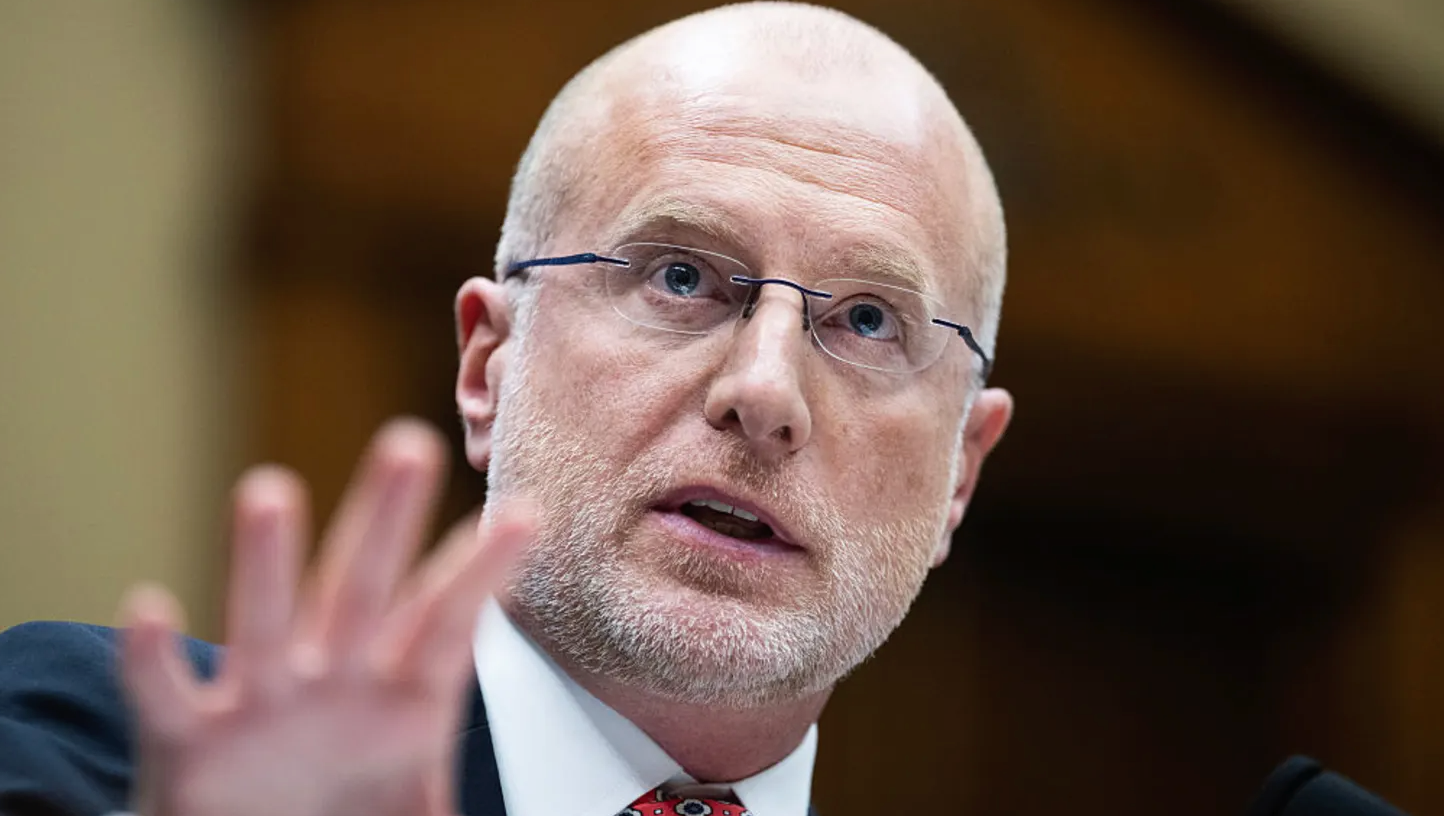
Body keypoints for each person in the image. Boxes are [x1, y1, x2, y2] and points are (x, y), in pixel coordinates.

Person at [0, 2, 1013, 815]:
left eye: (869, 321)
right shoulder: (102, 751)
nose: (763, 391)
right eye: (680, 276)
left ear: (961, 471)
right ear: (489, 365)